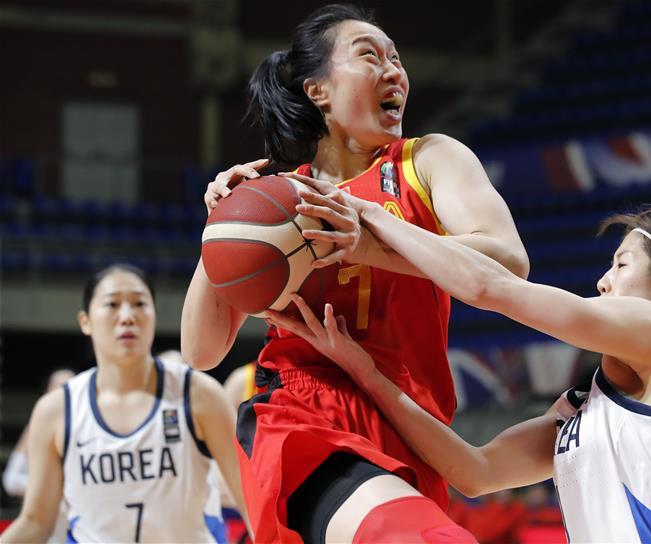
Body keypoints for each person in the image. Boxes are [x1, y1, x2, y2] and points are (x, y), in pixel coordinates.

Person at [180, 4, 528, 543]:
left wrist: (365, 244)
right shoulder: (277, 202)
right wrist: (221, 232)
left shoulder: (429, 160)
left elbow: (507, 263)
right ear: (317, 90)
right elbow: (200, 352)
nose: (394, 70)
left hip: (413, 423)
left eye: (397, 58)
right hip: (301, 412)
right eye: (370, 55)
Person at [267, 196, 651, 543]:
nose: (603, 281)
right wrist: (367, 373)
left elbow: (492, 289)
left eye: (620, 265)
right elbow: (475, 472)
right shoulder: (580, 408)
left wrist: (370, 216)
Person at [1, 264, 249, 543]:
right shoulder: (55, 410)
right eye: (113, 304)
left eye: (140, 303)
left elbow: (250, 502)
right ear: (85, 321)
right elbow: (35, 522)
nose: (128, 316)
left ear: (155, 315)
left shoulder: (199, 394)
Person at [2, 368, 75, 543]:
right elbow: (11, 480)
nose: (63, 394)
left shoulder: (86, 426)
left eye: (69, 387)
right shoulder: (35, 428)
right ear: (48, 392)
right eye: (59, 387)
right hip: (44, 524)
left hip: (79, 525)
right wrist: (49, 491)